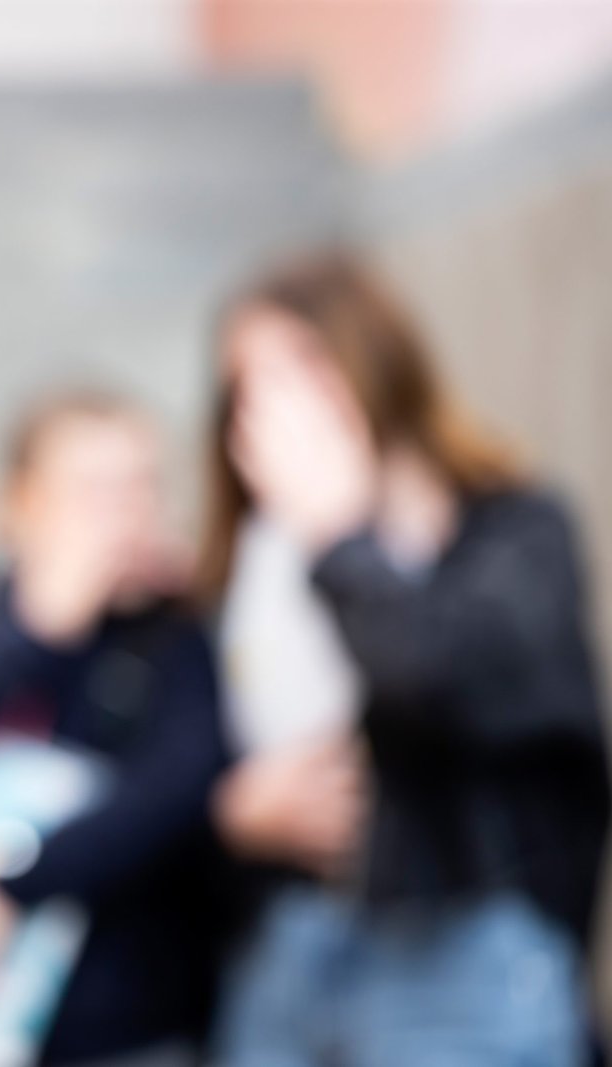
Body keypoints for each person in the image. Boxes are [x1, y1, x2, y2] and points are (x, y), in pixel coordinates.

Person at [203, 250, 610, 1066]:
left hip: (464, 957)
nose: (274, 409)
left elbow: (435, 678)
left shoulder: (512, 531)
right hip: (294, 953)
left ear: (373, 358)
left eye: (301, 369)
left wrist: (339, 532)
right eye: (247, 384)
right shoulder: (245, 561)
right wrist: (234, 812)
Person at [0, 394, 229, 1067]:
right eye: (93, 491)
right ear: (18, 505)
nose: (123, 513)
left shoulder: (176, 636)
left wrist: (11, 881)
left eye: (141, 486)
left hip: (125, 1023)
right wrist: (41, 632)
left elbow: (169, 793)